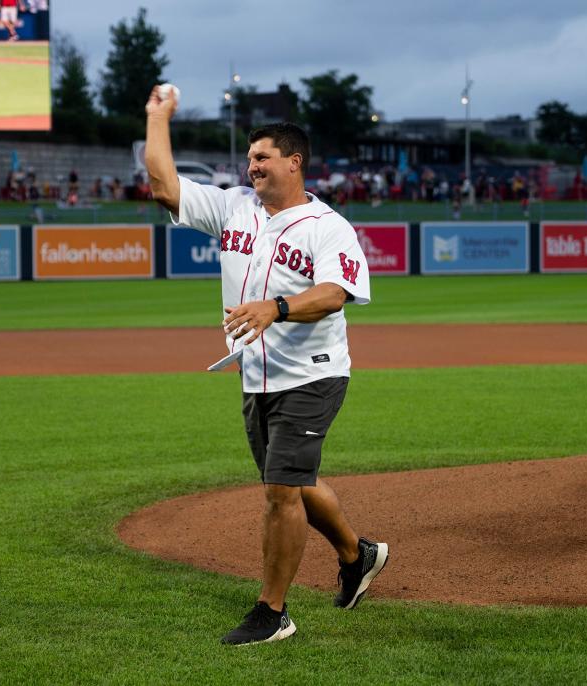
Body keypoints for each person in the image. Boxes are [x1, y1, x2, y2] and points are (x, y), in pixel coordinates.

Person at [144, 87, 388, 646]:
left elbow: (334, 293)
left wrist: (275, 307)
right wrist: (158, 118)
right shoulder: (234, 208)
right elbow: (164, 186)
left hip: (314, 372)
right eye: (249, 158)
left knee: (280, 490)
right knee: (294, 485)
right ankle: (358, 555)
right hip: (255, 373)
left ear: (294, 161)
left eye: (262, 157)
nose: (250, 165)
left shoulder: (328, 226)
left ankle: (272, 612)